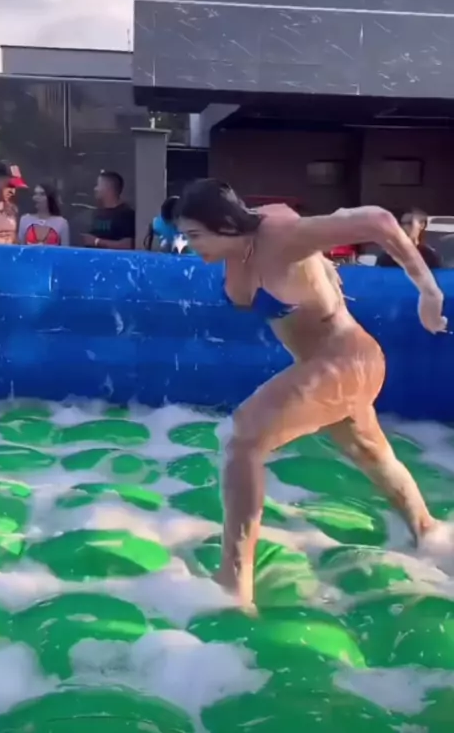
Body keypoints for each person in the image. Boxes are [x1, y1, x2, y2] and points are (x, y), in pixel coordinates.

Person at [175, 179, 447, 609]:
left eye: (195, 235)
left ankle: (234, 579)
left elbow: (378, 220)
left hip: (348, 359)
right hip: (324, 369)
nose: (190, 246)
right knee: (373, 455)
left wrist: (429, 293)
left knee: (244, 437)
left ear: (225, 225)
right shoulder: (242, 248)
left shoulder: (281, 236)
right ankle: (428, 531)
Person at [83, 171, 135, 250]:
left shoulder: (127, 215)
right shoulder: (97, 213)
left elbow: (128, 245)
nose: (95, 189)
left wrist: (96, 241)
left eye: (98, 185)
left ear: (108, 188)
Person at [377, 208, 441, 269]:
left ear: (422, 225)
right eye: (402, 224)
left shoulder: (429, 256)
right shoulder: (389, 256)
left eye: (410, 223)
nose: (404, 227)